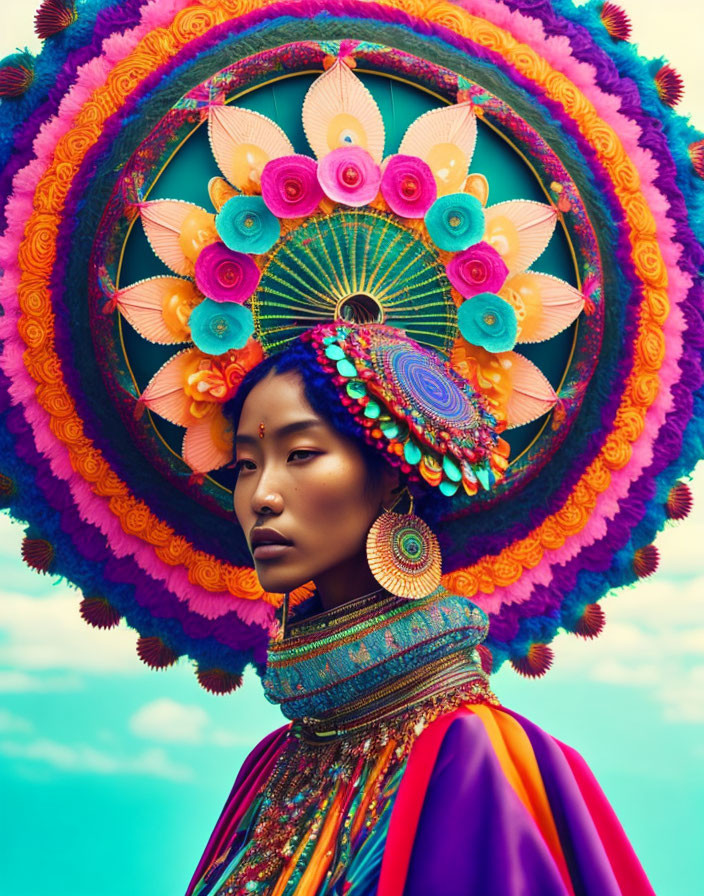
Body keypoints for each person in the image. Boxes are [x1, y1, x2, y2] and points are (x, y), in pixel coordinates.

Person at [185, 330, 655, 896]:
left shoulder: (476, 755)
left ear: (389, 477)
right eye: (244, 464)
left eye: (301, 454)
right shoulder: (270, 764)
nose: (262, 495)